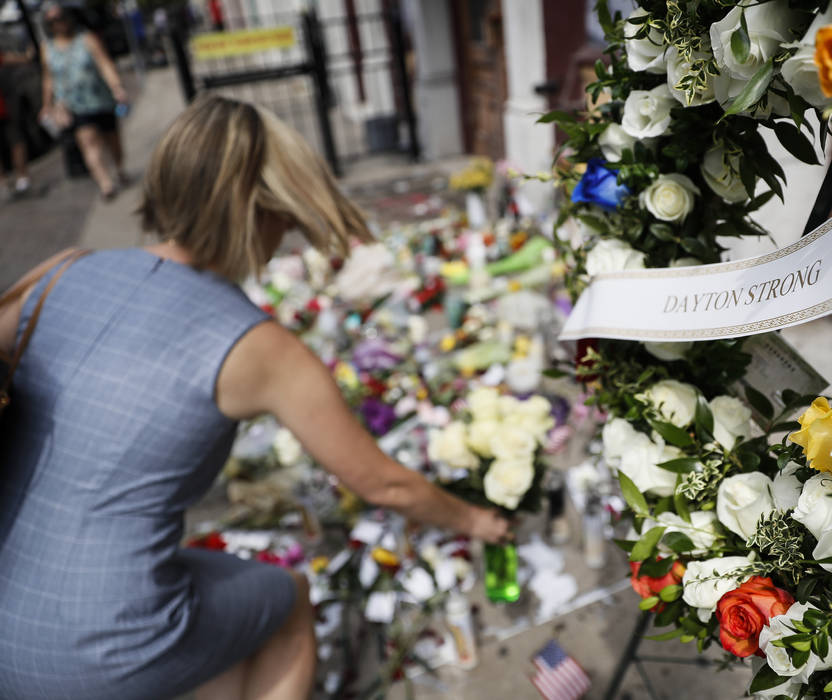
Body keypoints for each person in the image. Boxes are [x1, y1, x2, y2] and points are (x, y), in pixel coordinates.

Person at [0, 95, 511, 700]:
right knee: (288, 600)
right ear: (258, 211)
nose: (287, 235)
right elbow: (385, 485)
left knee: (211, 614)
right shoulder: (259, 347)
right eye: (286, 216)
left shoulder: (62, 270)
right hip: (102, 644)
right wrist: (477, 519)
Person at [38, 1, 128, 200]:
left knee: (113, 141)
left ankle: (119, 169)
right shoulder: (47, 48)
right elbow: (48, 78)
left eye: (60, 18)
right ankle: (105, 183)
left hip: (100, 100)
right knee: (88, 143)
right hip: (73, 106)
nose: (58, 24)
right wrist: (46, 105)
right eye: (52, 21)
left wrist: (117, 87)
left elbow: (104, 63)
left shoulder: (86, 39)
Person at [0, 43, 34, 197]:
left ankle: (19, 177)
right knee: (16, 139)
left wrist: (25, 58)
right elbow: (6, 58)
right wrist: (25, 57)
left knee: (16, 139)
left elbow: (5, 58)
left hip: (6, 104)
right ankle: (15, 178)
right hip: (6, 103)